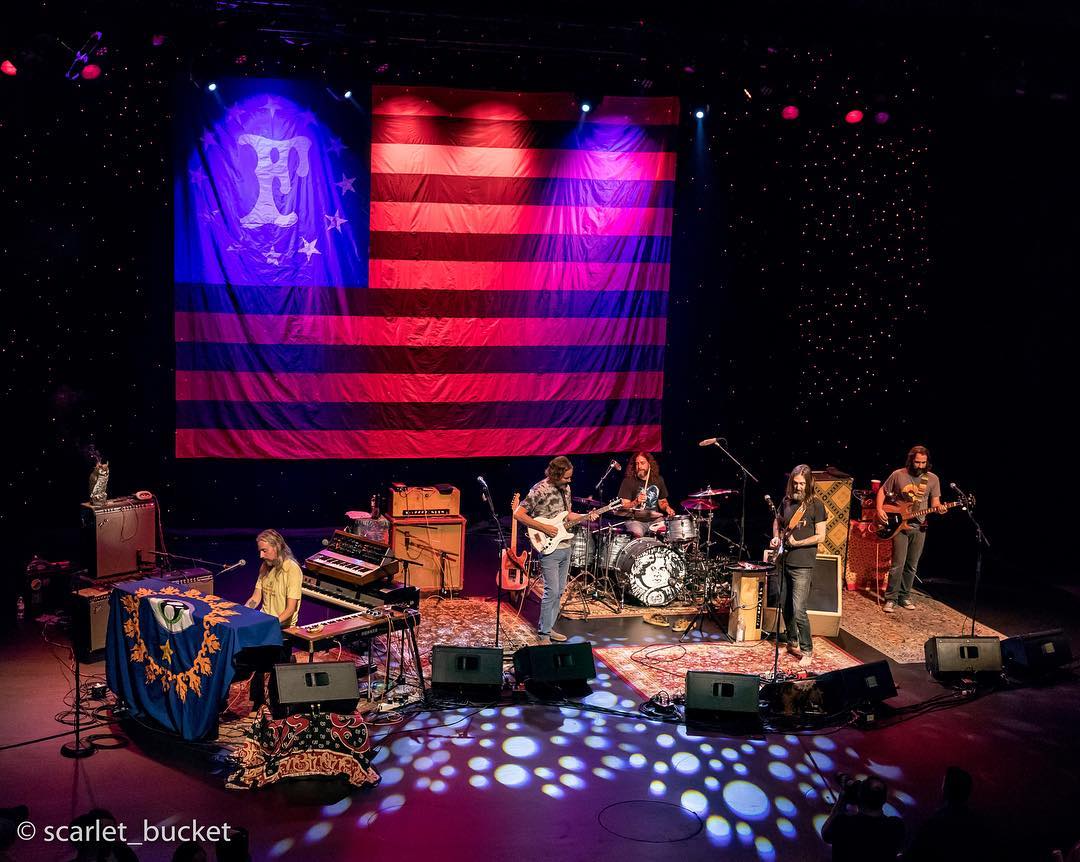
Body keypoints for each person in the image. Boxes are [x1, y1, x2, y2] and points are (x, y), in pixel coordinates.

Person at [514, 457, 597, 643]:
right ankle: (543, 634)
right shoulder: (540, 489)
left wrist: (586, 516)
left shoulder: (566, 489)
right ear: (556, 474)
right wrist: (543, 527)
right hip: (548, 547)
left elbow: (567, 515)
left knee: (559, 592)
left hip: (565, 545)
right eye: (566, 477)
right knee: (551, 591)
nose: (569, 481)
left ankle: (549, 628)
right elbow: (518, 514)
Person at [876, 446, 947, 613]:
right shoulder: (898, 474)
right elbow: (882, 491)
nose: (920, 466)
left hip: (919, 525)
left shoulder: (933, 479)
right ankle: (891, 598)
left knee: (912, 565)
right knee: (898, 564)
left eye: (923, 462)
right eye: (917, 462)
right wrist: (879, 509)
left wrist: (940, 509)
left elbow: (935, 503)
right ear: (910, 460)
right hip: (900, 525)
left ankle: (904, 596)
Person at [770, 465, 826, 668]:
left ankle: (807, 650)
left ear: (809, 483)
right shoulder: (786, 501)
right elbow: (777, 522)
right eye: (795, 483)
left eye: (802, 483)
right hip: (784, 560)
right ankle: (791, 640)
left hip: (802, 564)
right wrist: (776, 537)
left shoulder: (816, 505)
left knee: (799, 610)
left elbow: (821, 536)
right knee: (785, 605)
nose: (798, 487)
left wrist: (797, 543)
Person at [242, 529, 302, 712]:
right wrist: (241, 614)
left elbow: (290, 610)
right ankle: (257, 700)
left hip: (283, 628)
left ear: (277, 547)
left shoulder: (292, 570)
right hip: (265, 624)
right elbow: (255, 599)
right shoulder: (265, 568)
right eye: (260, 551)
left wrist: (269, 625)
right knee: (248, 655)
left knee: (275, 666)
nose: (261, 555)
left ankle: (278, 704)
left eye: (264, 550)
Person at [904, 767, 997, 861]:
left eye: (944, 783)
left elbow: (913, 853)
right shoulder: (980, 823)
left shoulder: (935, 822)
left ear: (946, 788)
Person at [821, 775, 905, 862]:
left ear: (860, 797)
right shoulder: (896, 826)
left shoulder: (843, 823)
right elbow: (900, 850)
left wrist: (841, 800)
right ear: (884, 799)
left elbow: (826, 835)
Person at [618, 452, 678, 538]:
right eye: (637, 464)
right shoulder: (628, 481)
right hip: (635, 520)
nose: (639, 466)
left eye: (642, 463)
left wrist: (667, 508)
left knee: (668, 533)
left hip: (655, 519)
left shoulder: (658, 480)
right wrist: (636, 501)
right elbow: (624, 506)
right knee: (637, 535)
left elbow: (662, 502)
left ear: (649, 464)